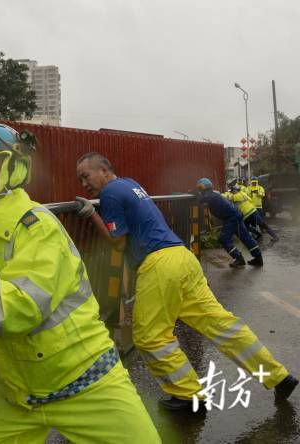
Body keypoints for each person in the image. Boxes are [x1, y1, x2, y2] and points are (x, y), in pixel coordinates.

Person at [0, 118, 160, 443]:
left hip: (84, 380)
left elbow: (20, 309)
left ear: (12, 169)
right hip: (14, 392)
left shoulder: (37, 226)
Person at [75, 152, 297, 412]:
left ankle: (187, 396)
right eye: (80, 180)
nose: (83, 184)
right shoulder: (130, 184)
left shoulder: (110, 192)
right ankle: (278, 376)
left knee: (150, 337)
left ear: (104, 169)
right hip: (182, 257)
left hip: (159, 265)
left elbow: (117, 241)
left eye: (85, 176)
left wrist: (92, 214)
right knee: (222, 326)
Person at [196, 178, 263, 267]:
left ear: (204, 187)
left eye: (199, 187)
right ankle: (258, 258)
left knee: (224, 239)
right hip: (235, 215)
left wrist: (194, 194)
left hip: (232, 218)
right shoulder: (213, 194)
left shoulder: (210, 195)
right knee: (245, 237)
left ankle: (239, 258)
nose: (199, 189)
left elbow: (201, 199)